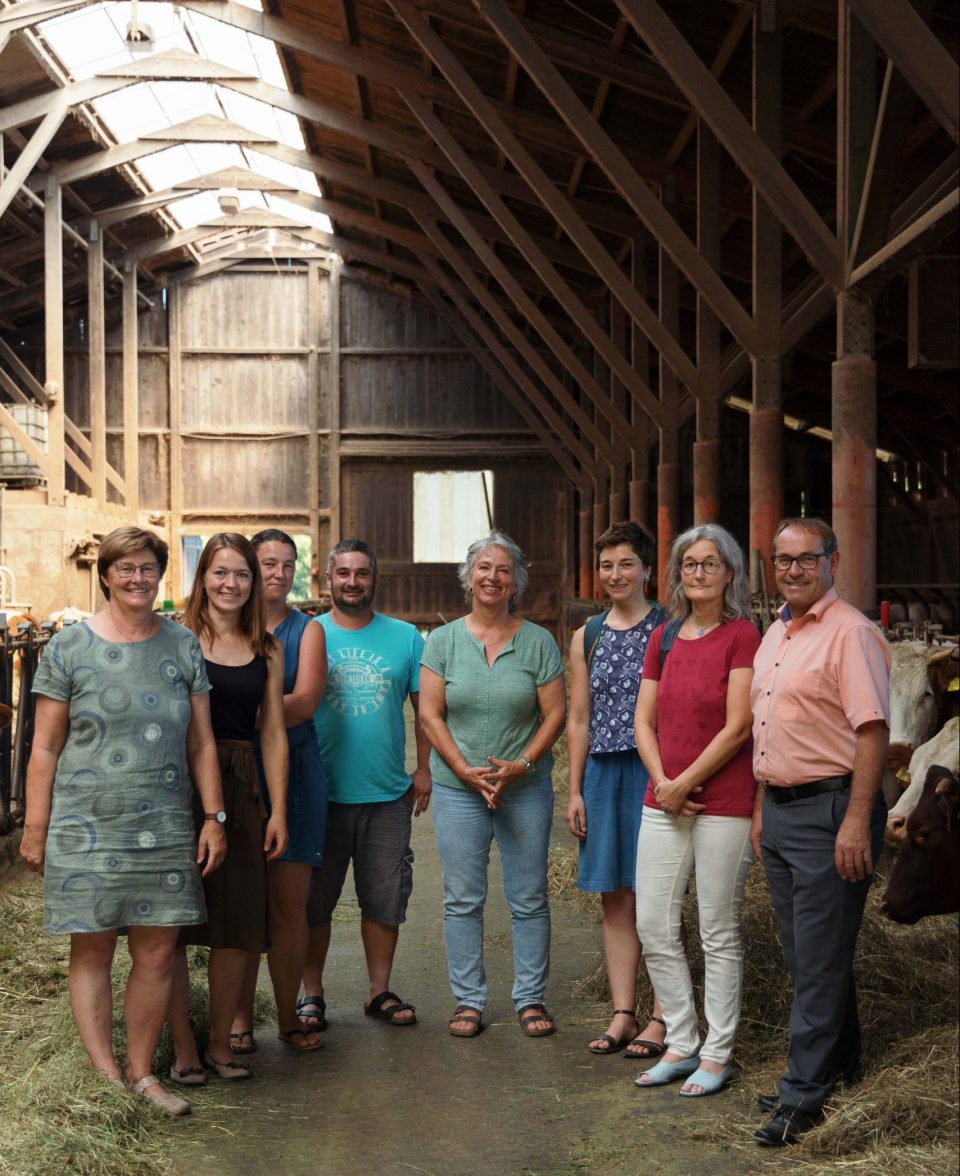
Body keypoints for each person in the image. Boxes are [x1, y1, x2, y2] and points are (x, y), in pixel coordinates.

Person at [20, 526, 225, 1117]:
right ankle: (106, 1075)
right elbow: (44, 747)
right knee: (93, 948)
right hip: (84, 826)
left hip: (164, 823)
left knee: (158, 953)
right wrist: (35, 827)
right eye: (126, 568)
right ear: (106, 575)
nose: (138, 578)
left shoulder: (183, 645)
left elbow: (202, 742)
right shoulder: (69, 647)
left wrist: (214, 817)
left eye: (148, 568)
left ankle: (141, 1074)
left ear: (161, 575)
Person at [750, 518, 890, 1146]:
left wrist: (857, 818)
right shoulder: (775, 632)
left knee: (817, 957)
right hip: (782, 809)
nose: (794, 570)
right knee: (810, 954)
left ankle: (803, 1095)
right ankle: (840, 1065)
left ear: (832, 561)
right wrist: (762, 806)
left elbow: (872, 732)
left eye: (807, 559)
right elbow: (768, 728)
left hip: (831, 811)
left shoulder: (851, 633)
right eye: (784, 560)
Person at [419, 532, 566, 1039]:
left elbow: (555, 714)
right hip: (459, 788)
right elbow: (429, 714)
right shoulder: (442, 642)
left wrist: (523, 763)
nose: (492, 577)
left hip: (524, 787)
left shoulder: (538, 642)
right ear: (468, 576)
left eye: (503, 570)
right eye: (484, 567)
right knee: (462, 897)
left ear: (515, 581)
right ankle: (469, 999)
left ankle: (530, 997)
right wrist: (463, 769)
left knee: (529, 896)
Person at [633, 523, 759, 1097]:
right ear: (677, 573)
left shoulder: (743, 636)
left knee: (717, 929)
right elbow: (643, 720)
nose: (699, 573)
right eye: (689, 564)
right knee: (653, 923)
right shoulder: (663, 636)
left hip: (723, 801)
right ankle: (681, 1041)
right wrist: (664, 782)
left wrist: (684, 783)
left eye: (710, 563)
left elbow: (738, 725)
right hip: (662, 796)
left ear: (729, 573)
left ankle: (717, 1053)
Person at [167, 534, 289, 1082]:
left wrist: (277, 810)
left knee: (238, 921)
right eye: (220, 572)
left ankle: (220, 1043)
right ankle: (183, 1048)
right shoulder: (175, 637)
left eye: (242, 574)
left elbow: (274, 734)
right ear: (203, 578)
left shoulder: (268, 648)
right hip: (176, 784)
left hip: (240, 786)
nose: (231, 584)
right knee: (168, 926)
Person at [299, 539, 430, 1032]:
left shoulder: (406, 637)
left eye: (361, 573)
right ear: (327, 579)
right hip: (320, 794)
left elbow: (425, 711)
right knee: (315, 901)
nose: (352, 582)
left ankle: (379, 990)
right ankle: (312, 994)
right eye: (343, 573)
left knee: (385, 898)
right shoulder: (309, 634)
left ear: (375, 579)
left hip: (386, 794)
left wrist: (423, 768)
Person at [567, 522, 672, 1058]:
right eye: (607, 565)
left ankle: (664, 1016)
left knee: (659, 895)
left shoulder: (670, 628)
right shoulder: (587, 635)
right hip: (604, 773)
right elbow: (578, 717)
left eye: (626, 564)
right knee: (616, 895)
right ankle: (623, 1012)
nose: (616, 574)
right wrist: (574, 789)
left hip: (655, 771)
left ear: (647, 569)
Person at [230, 529, 329, 1054]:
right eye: (268, 563)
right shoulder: (223, 627)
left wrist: (233, 715)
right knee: (243, 903)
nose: (279, 573)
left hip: (294, 771)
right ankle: (240, 1019)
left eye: (288, 564)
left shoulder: (306, 630)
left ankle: (289, 1016)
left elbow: (305, 701)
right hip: (235, 773)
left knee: (290, 906)